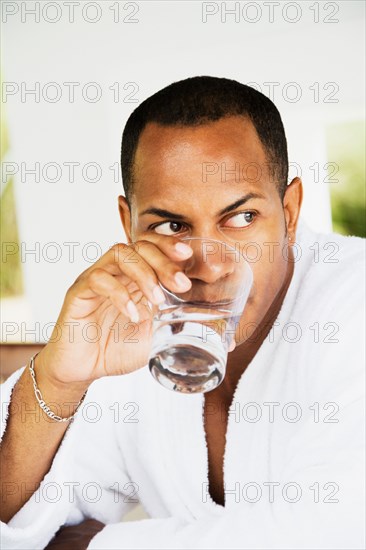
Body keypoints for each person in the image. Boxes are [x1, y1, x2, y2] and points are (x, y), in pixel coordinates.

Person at [0, 76, 364, 550]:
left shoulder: (352, 298)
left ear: (290, 212)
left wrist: (90, 544)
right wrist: (56, 380)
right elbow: (10, 512)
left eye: (241, 218)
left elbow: (333, 530)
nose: (207, 266)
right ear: (128, 225)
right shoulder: (130, 318)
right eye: (172, 225)